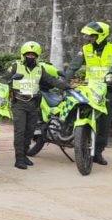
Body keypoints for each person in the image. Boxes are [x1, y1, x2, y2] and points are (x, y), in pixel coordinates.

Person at [65, 22, 112, 165]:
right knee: (79, 113)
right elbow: (73, 66)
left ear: (101, 35)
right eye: (90, 35)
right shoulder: (85, 49)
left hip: (107, 91)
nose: (90, 38)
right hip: (90, 90)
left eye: (93, 35)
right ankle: (78, 143)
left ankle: (98, 153)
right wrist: (65, 81)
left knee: (104, 124)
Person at [5, 41, 68, 169]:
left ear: (37, 56)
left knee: (29, 132)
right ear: (23, 54)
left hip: (33, 103)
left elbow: (52, 80)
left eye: (33, 55)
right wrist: (10, 82)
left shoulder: (40, 68)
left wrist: (67, 87)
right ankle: (19, 159)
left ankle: (25, 155)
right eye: (28, 54)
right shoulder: (15, 66)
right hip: (19, 103)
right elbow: (3, 79)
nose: (30, 56)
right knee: (20, 131)